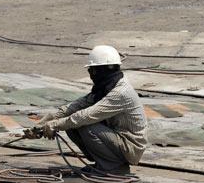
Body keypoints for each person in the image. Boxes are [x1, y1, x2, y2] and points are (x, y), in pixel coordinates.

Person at [25, 45, 148, 175]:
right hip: (119, 140)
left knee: (85, 125)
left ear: (98, 71)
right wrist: (44, 123)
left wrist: (54, 125)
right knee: (71, 124)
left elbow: (85, 116)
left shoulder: (120, 92)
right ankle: (103, 163)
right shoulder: (106, 87)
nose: (91, 75)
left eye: (92, 71)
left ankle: (114, 167)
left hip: (130, 147)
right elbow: (75, 106)